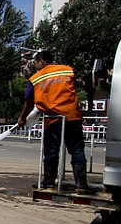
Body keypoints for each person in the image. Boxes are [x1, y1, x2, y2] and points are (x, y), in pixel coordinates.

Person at [17, 50, 90, 192]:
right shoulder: (68, 70)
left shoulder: (35, 79)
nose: (35, 66)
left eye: (36, 63)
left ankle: (49, 183)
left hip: (54, 119)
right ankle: (81, 185)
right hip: (72, 116)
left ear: (42, 61)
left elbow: (29, 103)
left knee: (51, 151)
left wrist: (22, 118)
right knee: (77, 150)